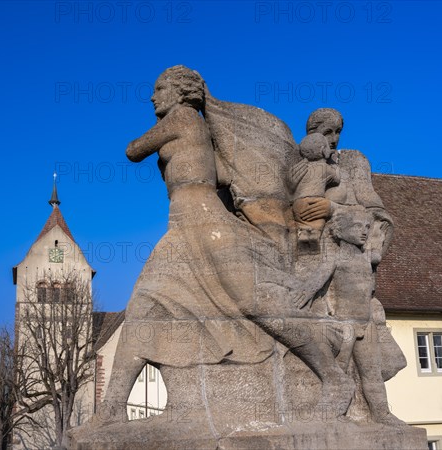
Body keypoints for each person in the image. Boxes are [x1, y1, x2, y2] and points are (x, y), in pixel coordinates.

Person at [89, 67, 355, 427]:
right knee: (144, 305)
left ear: (182, 93)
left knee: (255, 303)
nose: (153, 97)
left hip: (205, 227)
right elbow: (221, 176)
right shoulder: (198, 131)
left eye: (159, 88)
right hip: (183, 226)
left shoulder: (182, 117)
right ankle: (112, 409)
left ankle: (334, 378)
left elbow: (133, 150)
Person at [295, 206, 404, 425]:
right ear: (340, 229)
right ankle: (335, 415)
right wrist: (301, 299)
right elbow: (315, 282)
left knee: (372, 374)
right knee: (339, 373)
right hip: (344, 326)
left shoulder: (367, 257)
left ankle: (382, 414)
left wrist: (381, 222)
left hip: (366, 325)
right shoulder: (334, 258)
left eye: (366, 227)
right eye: (357, 227)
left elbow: (381, 240)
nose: (364, 231)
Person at [292, 132, 340, 244]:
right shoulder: (325, 168)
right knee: (317, 225)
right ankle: (313, 238)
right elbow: (337, 178)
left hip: (298, 203)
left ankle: (302, 234)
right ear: (324, 150)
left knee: (303, 224)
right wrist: (335, 163)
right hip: (315, 202)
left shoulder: (301, 168)